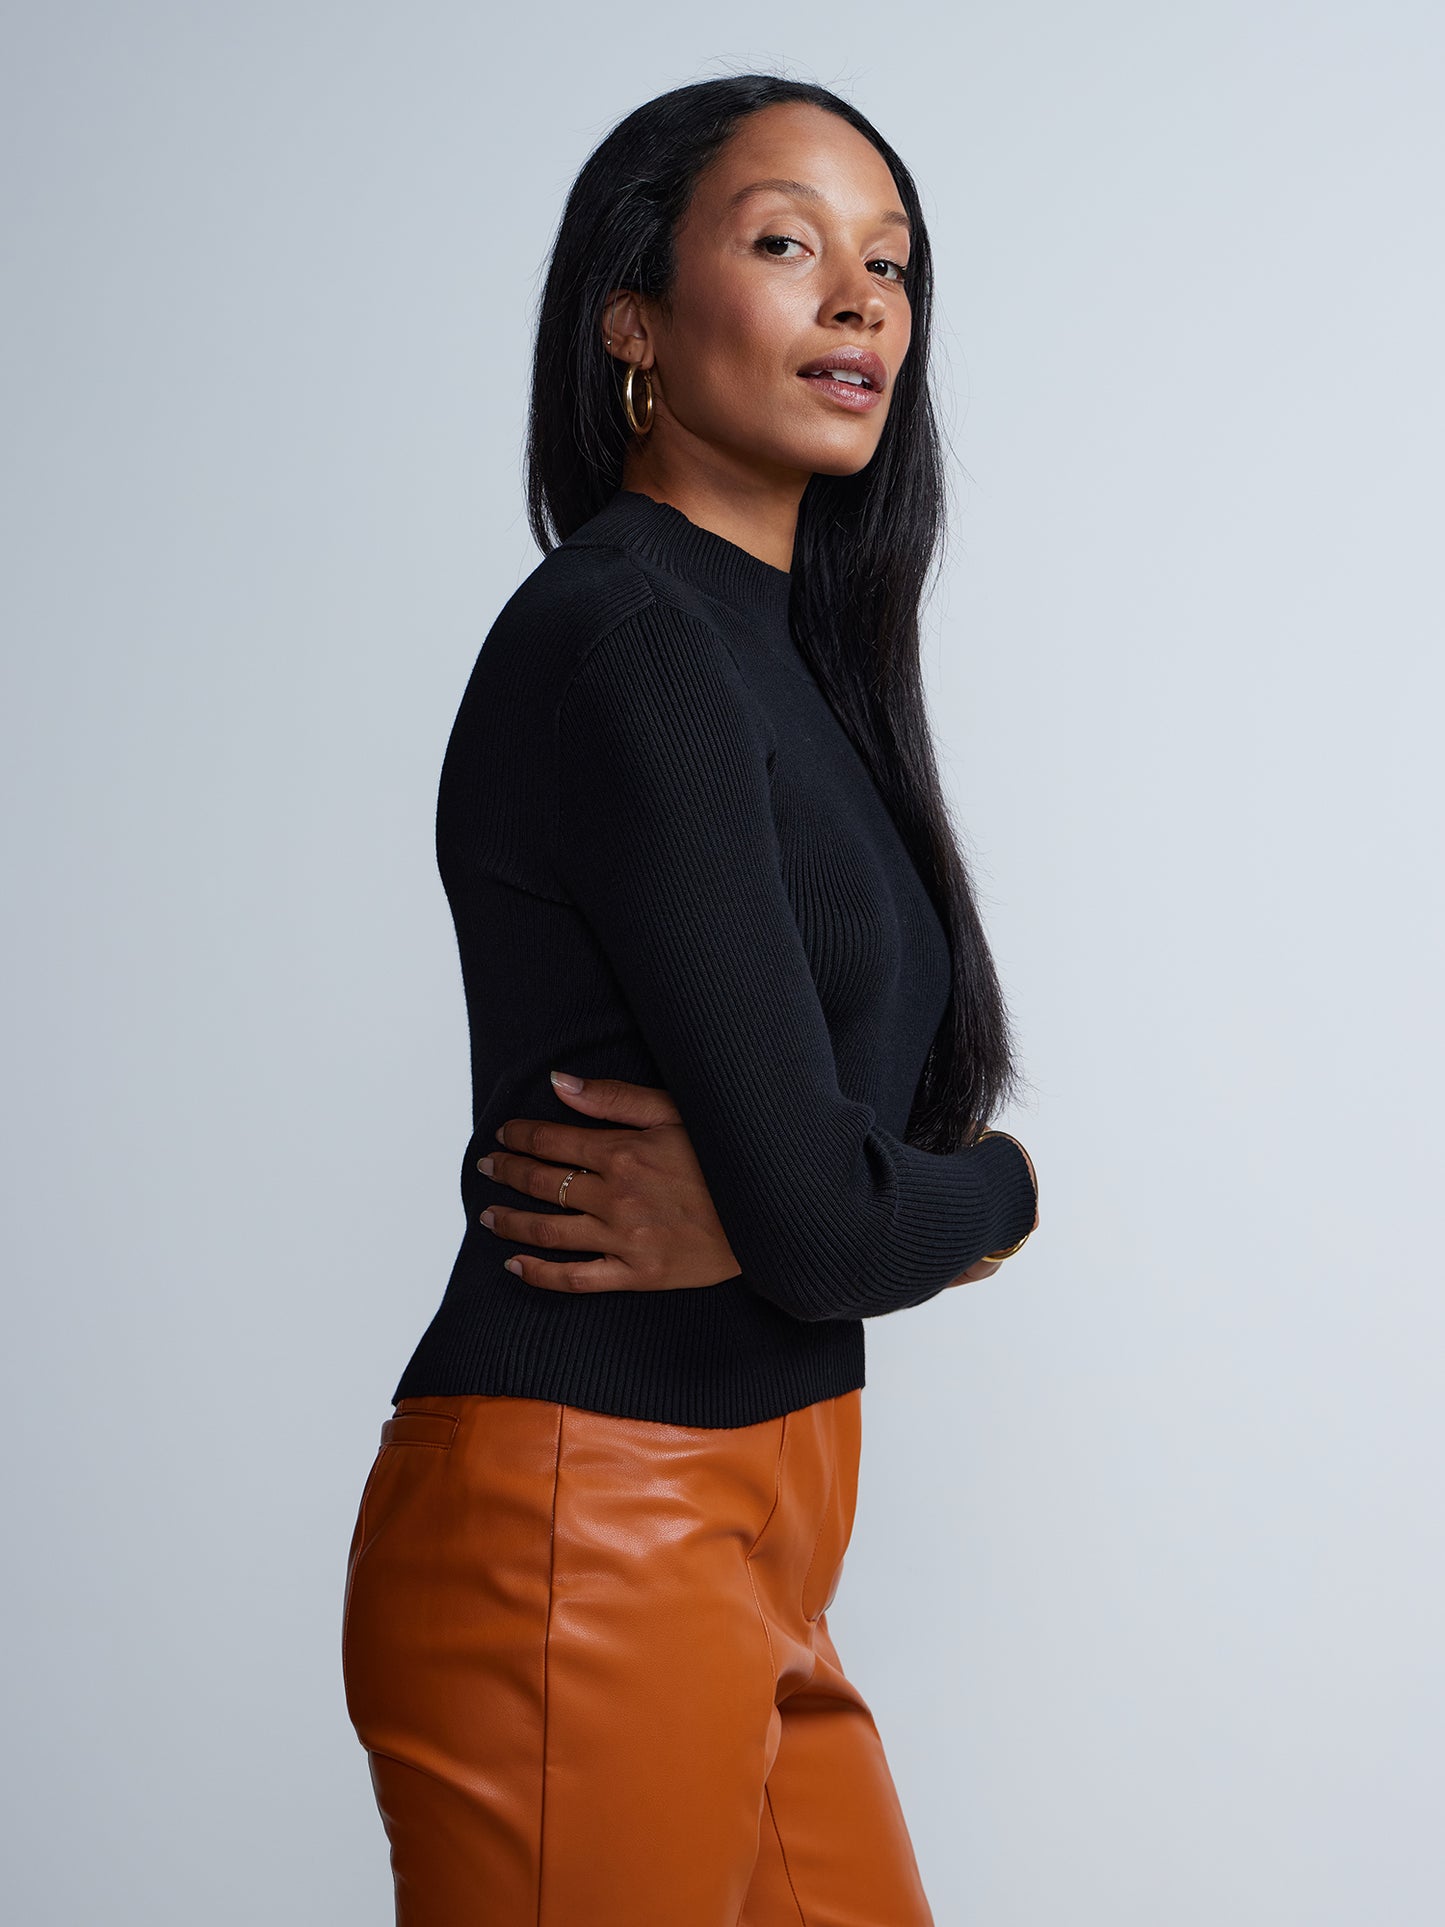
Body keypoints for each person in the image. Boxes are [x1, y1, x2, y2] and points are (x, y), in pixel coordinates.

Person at [340, 71, 1040, 1927]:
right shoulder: (631, 639)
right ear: (631, 319)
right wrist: (995, 1195)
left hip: (761, 1524)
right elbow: (834, 1221)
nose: (860, 297)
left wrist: (825, 1200)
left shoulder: (792, 660)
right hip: (588, 1530)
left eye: (891, 262)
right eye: (787, 242)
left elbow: (846, 1175)